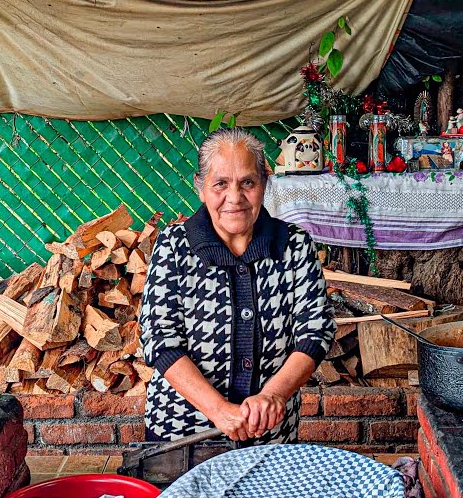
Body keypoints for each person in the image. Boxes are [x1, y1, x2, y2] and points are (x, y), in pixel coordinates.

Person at [139, 127, 335, 443]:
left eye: (248, 183)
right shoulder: (174, 246)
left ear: (264, 185)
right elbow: (159, 340)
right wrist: (218, 410)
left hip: (269, 433)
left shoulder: (294, 245)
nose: (235, 198)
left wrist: (273, 395)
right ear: (201, 188)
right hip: (184, 435)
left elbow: (316, 331)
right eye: (220, 184)